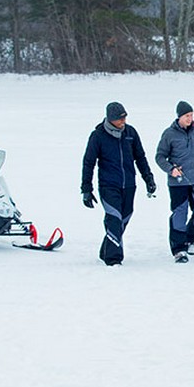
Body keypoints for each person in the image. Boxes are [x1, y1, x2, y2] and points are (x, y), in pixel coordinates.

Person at [81, 102, 156, 266]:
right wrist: (86, 188)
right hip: (108, 185)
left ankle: (106, 250)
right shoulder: (98, 136)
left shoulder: (130, 133)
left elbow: (140, 157)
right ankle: (113, 258)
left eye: (124, 118)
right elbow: (88, 162)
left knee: (125, 217)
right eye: (120, 119)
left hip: (129, 184)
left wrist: (148, 178)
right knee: (114, 218)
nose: (123, 121)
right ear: (110, 119)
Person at [154, 100, 194, 263]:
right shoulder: (169, 134)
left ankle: (190, 239)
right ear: (179, 117)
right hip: (178, 182)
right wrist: (171, 169)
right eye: (186, 116)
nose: (190, 119)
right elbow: (160, 157)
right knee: (179, 215)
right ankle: (179, 250)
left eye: (191, 115)